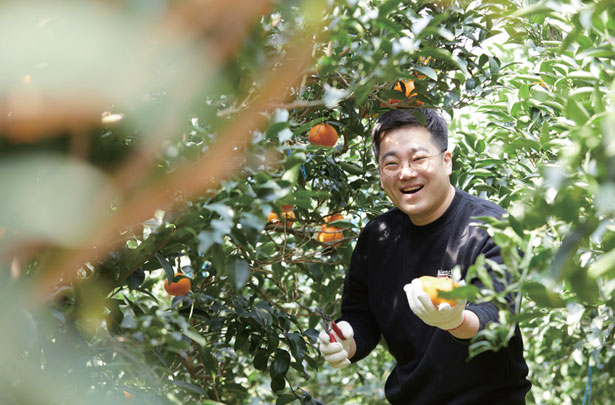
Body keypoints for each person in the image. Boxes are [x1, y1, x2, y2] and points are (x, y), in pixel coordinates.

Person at [318, 108, 531, 404]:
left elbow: (497, 316)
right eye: (391, 163)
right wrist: (346, 341)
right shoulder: (377, 238)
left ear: (446, 161)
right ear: (381, 174)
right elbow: (361, 317)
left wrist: (457, 320)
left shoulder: (492, 227)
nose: (406, 173)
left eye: (419, 159)